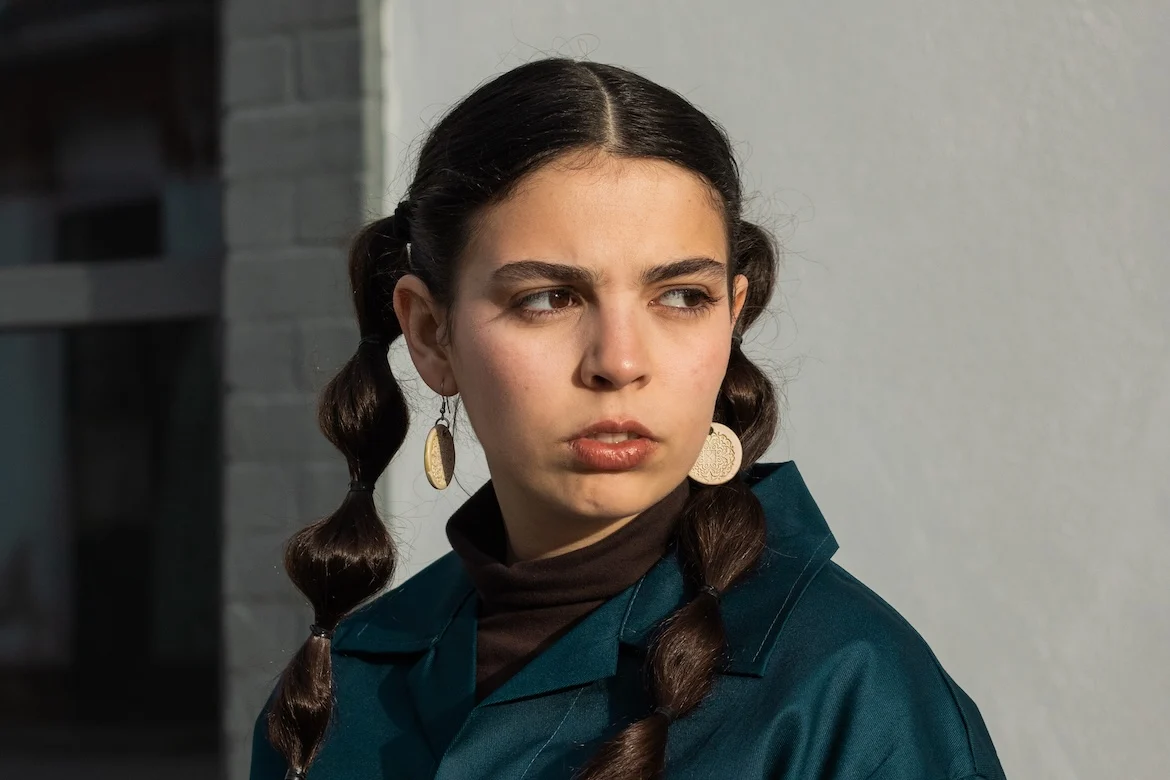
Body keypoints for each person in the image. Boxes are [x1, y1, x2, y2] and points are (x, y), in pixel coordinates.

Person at [248, 57, 1006, 780]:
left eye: (681, 297)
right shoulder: (335, 691)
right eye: (548, 297)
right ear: (430, 334)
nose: (618, 361)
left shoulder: (855, 699)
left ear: (732, 319)